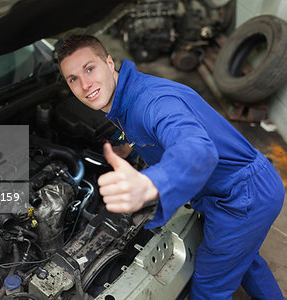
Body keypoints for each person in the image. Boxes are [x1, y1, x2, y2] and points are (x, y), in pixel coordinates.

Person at [57, 34, 285, 299]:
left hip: (242, 197)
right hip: (238, 188)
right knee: (245, 261)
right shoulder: (129, 95)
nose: (85, 84)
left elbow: (197, 149)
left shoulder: (153, 102)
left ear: (109, 62)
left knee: (209, 288)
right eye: (73, 79)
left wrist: (150, 182)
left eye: (89, 68)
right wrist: (129, 146)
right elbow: (151, 131)